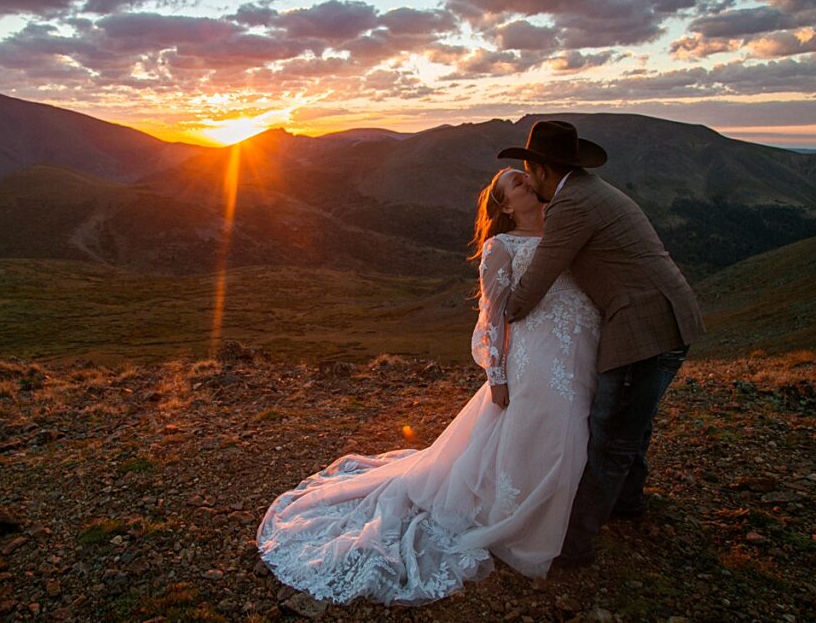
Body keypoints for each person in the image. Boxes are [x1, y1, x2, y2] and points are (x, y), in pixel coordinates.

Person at [256, 166, 602, 605]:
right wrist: (496, 375)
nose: (527, 183)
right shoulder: (502, 245)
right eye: (515, 183)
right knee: (554, 430)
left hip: (579, 349)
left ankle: (566, 513)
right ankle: (523, 521)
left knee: (576, 428)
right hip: (535, 358)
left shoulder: (564, 230)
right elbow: (493, 316)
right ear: (506, 206)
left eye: (525, 177)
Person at [497, 120, 705, 568]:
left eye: (528, 171)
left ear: (543, 170)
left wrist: (504, 308)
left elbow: (539, 277)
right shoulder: (593, 190)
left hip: (643, 327)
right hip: (669, 317)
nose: (529, 182)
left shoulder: (571, 203)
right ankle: (627, 504)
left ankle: (574, 546)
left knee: (611, 437)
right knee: (635, 423)